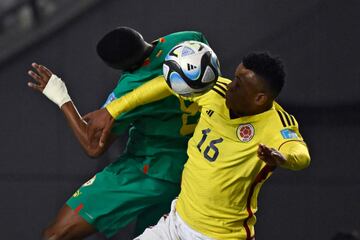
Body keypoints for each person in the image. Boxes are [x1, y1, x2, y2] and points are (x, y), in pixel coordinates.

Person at [95, 52, 311, 239]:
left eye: (239, 83)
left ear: (260, 98)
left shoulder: (277, 125)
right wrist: (113, 109)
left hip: (219, 235)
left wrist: (282, 158)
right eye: (234, 77)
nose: (230, 85)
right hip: (176, 223)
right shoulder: (214, 91)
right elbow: (167, 82)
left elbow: (300, 153)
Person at [27, 27, 209, 239]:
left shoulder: (131, 85)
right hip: (187, 172)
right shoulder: (188, 39)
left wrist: (61, 97)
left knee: (55, 235)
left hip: (145, 170)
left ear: (126, 67)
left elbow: (93, 146)